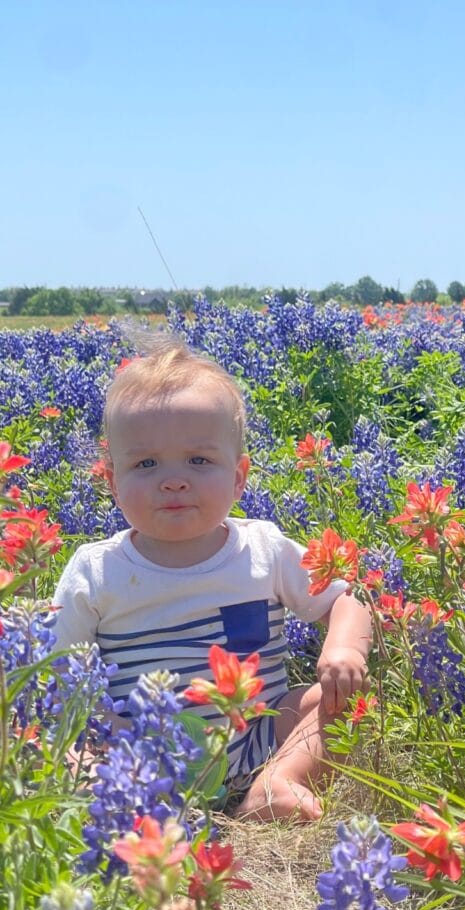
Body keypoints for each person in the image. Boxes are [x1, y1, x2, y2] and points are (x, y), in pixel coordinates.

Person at [51, 338, 372, 821]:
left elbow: (346, 602)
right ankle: (133, 808)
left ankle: (279, 781)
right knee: (59, 748)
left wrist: (343, 650)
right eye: (146, 464)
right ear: (113, 480)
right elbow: (57, 671)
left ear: (239, 477)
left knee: (347, 701)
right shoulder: (95, 571)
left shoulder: (264, 548)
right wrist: (98, 725)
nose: (174, 480)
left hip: (257, 737)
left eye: (199, 461)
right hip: (140, 751)